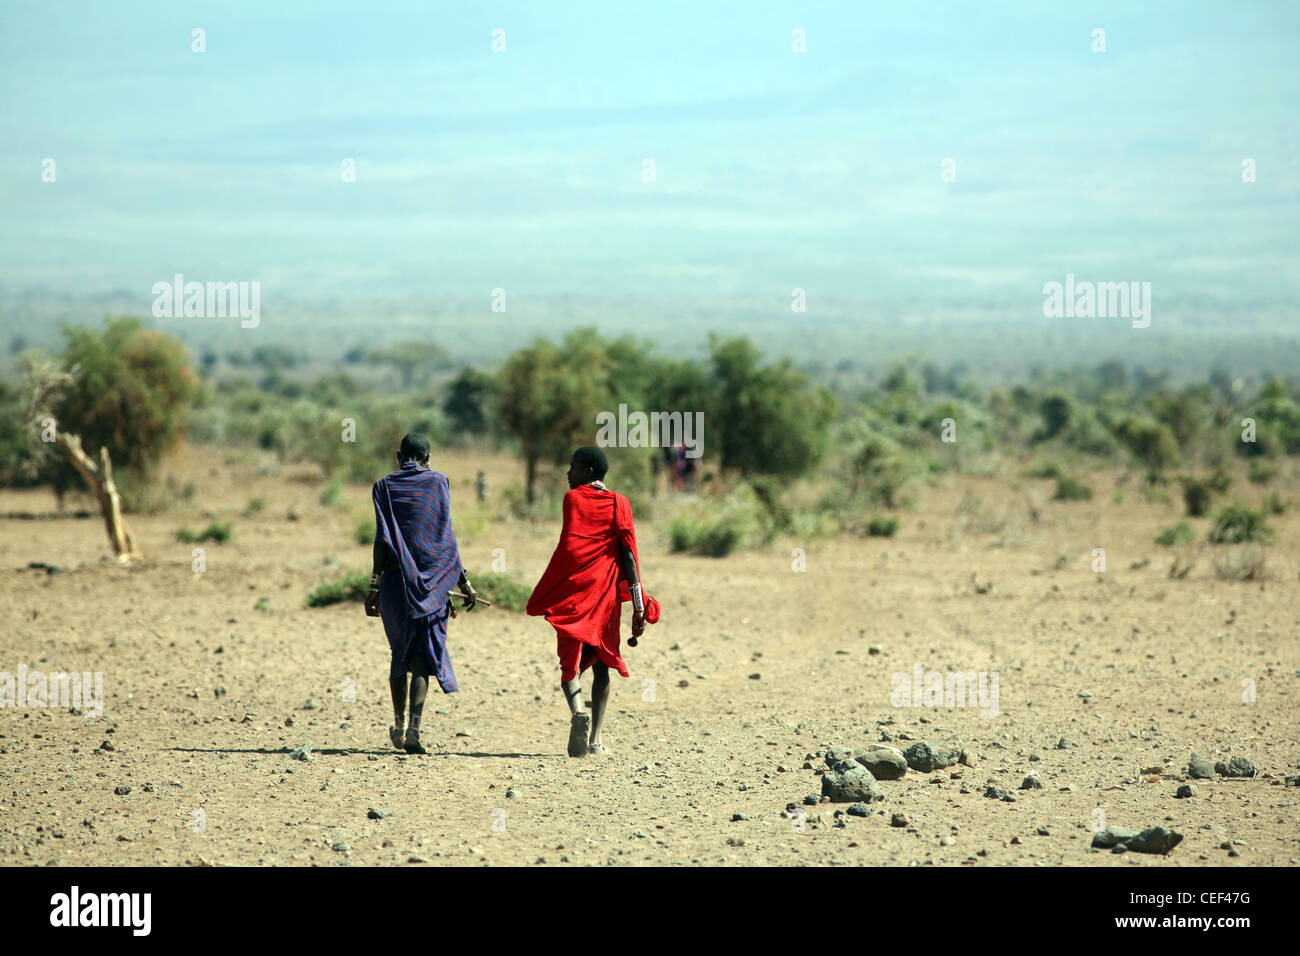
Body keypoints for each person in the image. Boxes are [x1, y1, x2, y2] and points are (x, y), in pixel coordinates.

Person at [527, 446, 659, 757]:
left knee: (570, 660)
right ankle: (596, 740)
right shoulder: (620, 503)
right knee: (602, 665)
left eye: (572, 468)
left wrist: (556, 585)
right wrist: (639, 605)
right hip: (607, 596)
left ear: (587, 471)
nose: (567, 474)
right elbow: (627, 554)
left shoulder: (572, 499)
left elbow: (570, 547)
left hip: (576, 593)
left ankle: (577, 712)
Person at [365, 433, 477, 754]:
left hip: (394, 585)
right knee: (422, 659)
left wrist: (374, 586)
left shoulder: (383, 487)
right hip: (434, 586)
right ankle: (415, 726)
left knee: (399, 653)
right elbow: (446, 540)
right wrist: (463, 582)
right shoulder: (440, 483)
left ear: (399, 456)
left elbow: (381, 540)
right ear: (428, 459)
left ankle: (399, 725)